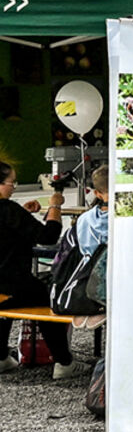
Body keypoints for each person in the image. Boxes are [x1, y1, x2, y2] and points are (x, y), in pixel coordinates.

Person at [0, 162, 79, 378]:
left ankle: (1, 357)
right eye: (11, 183)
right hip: (11, 280)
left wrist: (23, 215)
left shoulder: (11, 212)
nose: (14, 187)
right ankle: (64, 362)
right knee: (44, 298)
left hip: (4, 284)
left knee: (12, 301)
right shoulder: (8, 210)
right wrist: (55, 206)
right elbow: (48, 237)